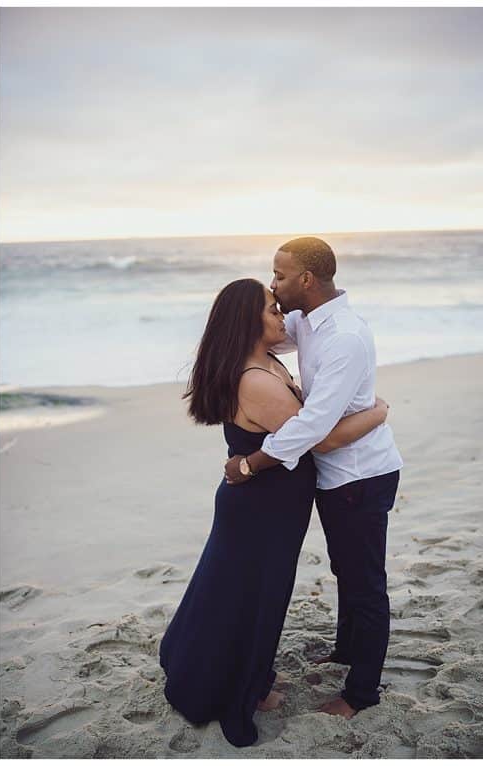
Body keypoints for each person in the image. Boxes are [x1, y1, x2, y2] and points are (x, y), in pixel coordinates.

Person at [158, 278, 390, 747]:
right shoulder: (257, 380)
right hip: (262, 510)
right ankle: (237, 687)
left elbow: (307, 331)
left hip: (268, 504)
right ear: (249, 323)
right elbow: (320, 438)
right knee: (249, 599)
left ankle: (251, 676)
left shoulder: (265, 360)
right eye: (270, 309)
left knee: (247, 594)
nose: (281, 315)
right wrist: (378, 412)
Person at [223, 237, 403, 720]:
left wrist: (254, 462)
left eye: (279, 276)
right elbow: (264, 337)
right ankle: (347, 650)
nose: (274, 285)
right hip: (335, 476)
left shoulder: (344, 336)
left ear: (306, 279)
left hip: (360, 476)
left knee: (366, 583)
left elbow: (316, 430)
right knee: (345, 569)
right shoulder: (305, 321)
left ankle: (361, 693)